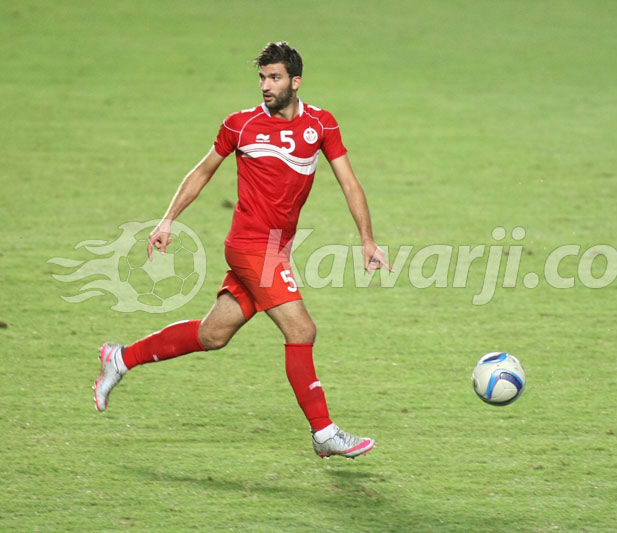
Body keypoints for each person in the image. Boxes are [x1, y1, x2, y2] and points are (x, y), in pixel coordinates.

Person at [93, 41, 392, 459]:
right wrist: (167, 220)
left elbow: (350, 182)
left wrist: (367, 239)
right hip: (252, 247)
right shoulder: (240, 125)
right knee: (302, 331)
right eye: (262, 78)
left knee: (212, 334)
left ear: (296, 81)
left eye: (275, 78)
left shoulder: (321, 125)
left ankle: (120, 358)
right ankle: (323, 432)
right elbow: (202, 172)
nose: (266, 86)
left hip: (277, 248)